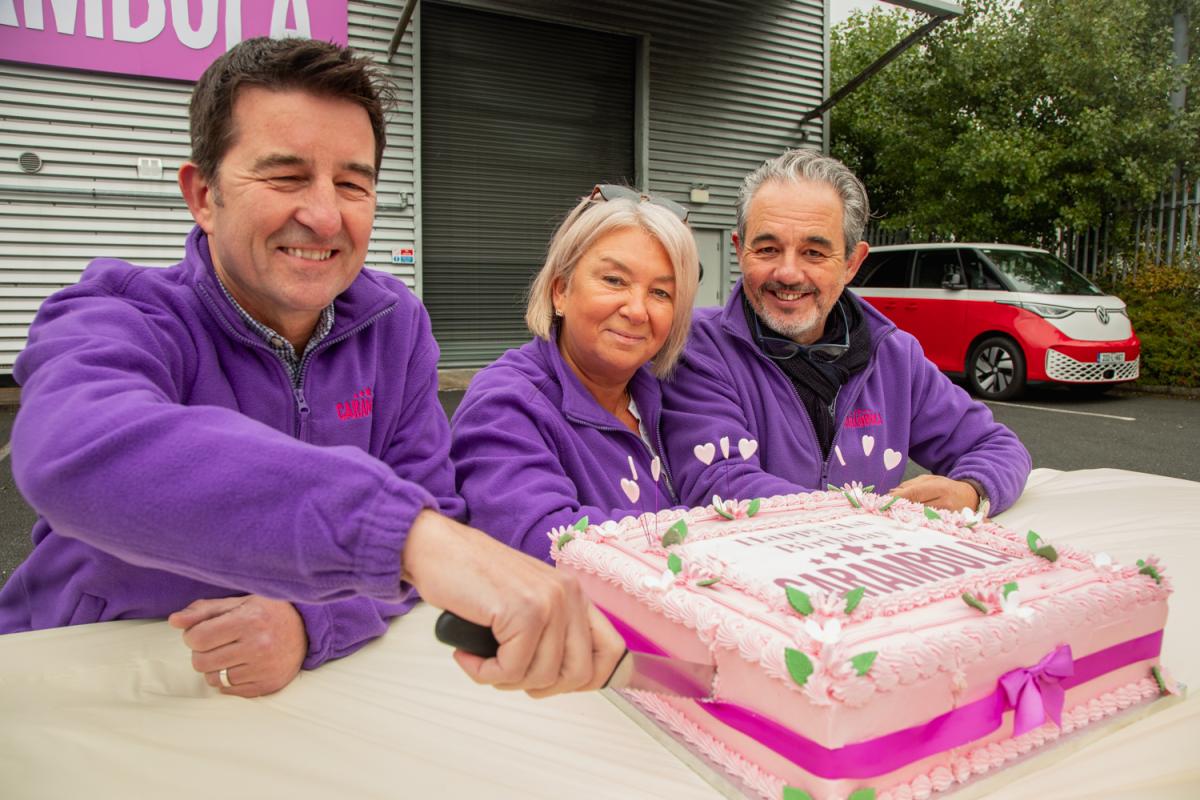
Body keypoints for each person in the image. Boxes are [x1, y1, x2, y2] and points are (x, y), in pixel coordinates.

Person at [0, 37, 622, 700]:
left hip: (305, 695)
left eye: (352, 183)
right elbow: (74, 449)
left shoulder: (396, 325)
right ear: (203, 195)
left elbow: (432, 503)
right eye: (285, 176)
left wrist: (307, 620)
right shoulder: (118, 313)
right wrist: (399, 534)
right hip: (86, 679)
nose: (325, 216)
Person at [661, 149, 1031, 515]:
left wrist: (971, 491)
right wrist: (873, 517)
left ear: (852, 262)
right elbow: (719, 482)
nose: (788, 273)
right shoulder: (698, 349)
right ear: (741, 251)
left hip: (862, 569)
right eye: (769, 248)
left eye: (814, 253)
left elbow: (996, 445)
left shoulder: (896, 357)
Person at [450, 186, 699, 561]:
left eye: (661, 293)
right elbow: (547, 543)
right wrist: (717, 530)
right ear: (561, 291)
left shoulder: (672, 392)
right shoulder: (506, 404)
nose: (636, 309)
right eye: (614, 280)